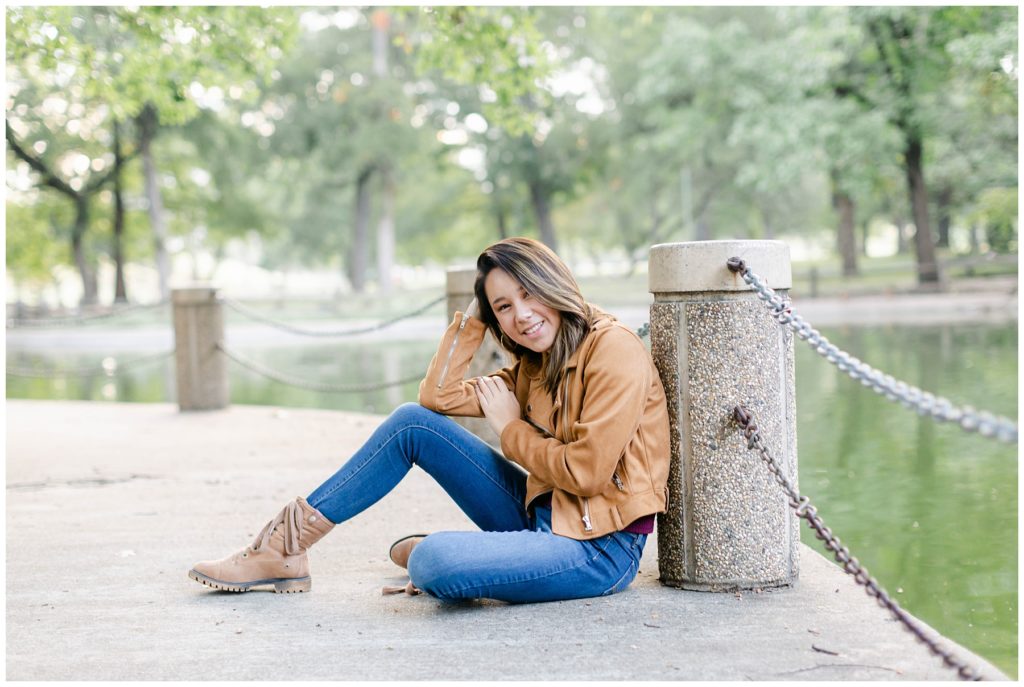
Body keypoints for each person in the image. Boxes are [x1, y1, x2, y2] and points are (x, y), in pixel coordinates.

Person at [188, 237, 670, 603]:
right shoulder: (533, 364)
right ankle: (284, 545)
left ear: (555, 284)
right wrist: (477, 320)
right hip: (544, 515)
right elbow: (435, 397)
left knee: (434, 562)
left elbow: (587, 472)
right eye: (505, 306)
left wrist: (509, 428)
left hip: (599, 549)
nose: (522, 315)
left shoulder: (613, 350)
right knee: (411, 422)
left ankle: (454, 554)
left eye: (529, 294)